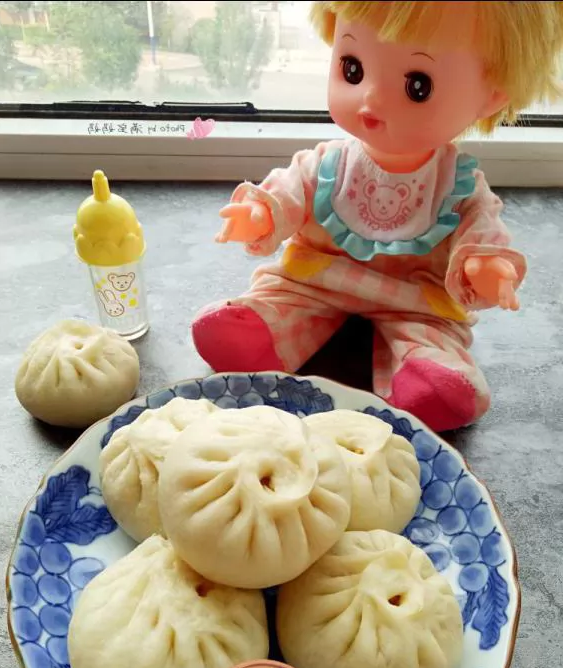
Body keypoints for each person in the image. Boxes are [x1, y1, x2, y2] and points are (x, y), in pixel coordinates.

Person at [192, 1, 563, 431]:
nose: (370, 97)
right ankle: (262, 333)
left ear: (493, 94)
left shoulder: (456, 185)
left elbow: (481, 224)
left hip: (415, 300)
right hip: (316, 279)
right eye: (352, 68)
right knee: (273, 302)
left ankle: (425, 375)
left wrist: (483, 264)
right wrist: (261, 211)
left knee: (433, 359)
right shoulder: (329, 164)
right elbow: (293, 186)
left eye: (417, 85)